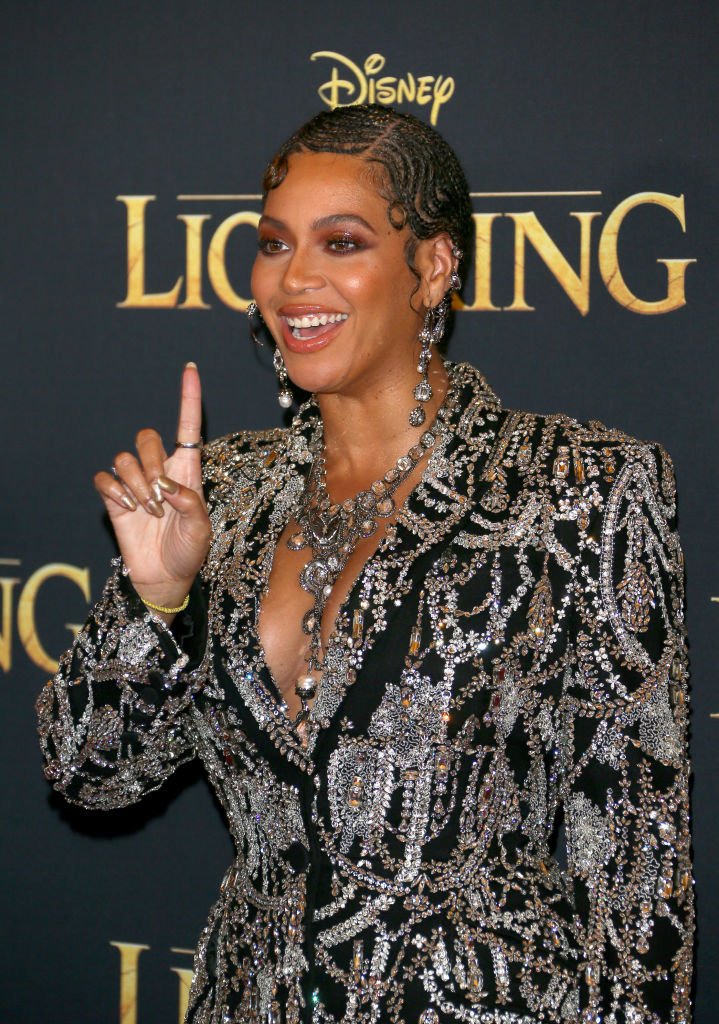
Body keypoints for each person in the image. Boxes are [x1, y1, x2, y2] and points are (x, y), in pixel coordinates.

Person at [37, 105, 694, 1024]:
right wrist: (159, 600)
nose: (293, 278)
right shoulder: (218, 491)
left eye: (340, 241)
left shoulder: (578, 487)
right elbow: (88, 773)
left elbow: (633, 867)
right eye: (272, 244)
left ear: (431, 266)